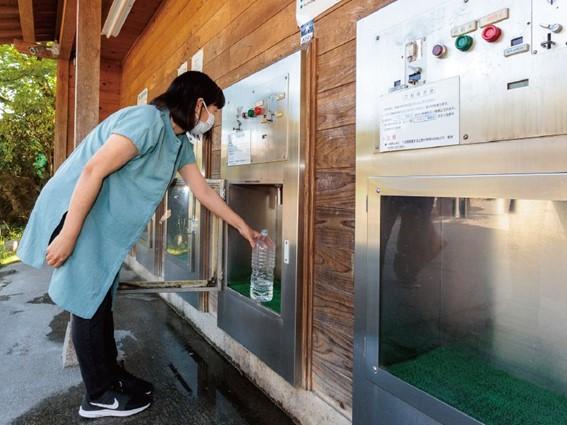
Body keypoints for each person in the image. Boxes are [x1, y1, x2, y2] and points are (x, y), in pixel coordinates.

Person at [16, 71, 261, 419]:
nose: (213, 120)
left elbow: (203, 192)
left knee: (99, 298)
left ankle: (111, 377)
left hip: (97, 221)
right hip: (76, 210)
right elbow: (92, 171)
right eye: (213, 111)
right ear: (198, 103)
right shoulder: (146, 120)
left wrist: (243, 227)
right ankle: (97, 395)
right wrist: (68, 234)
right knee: (87, 300)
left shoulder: (179, 144)